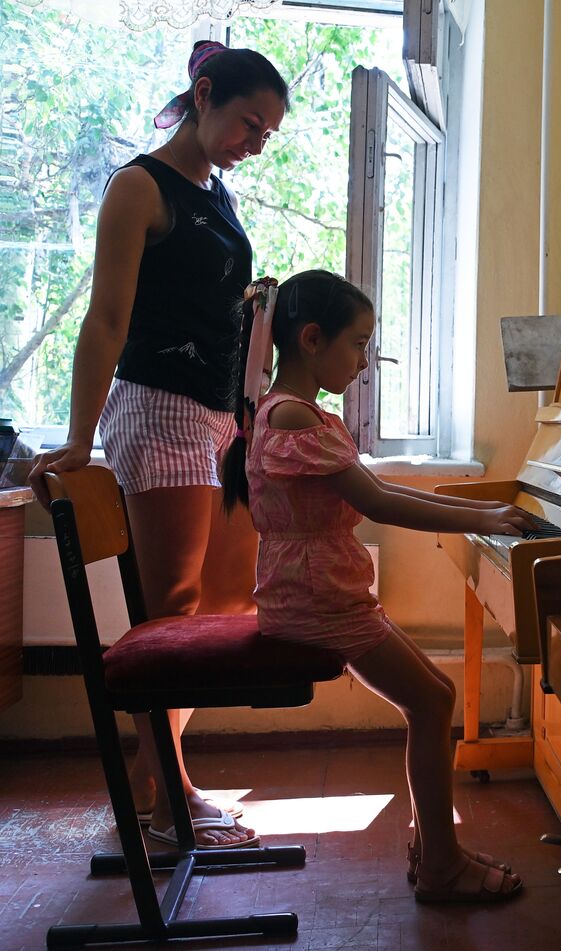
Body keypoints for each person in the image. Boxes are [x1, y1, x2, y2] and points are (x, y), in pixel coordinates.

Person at [27, 40, 289, 848]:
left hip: (219, 416)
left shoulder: (218, 194)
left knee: (232, 601)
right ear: (204, 95)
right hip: (159, 409)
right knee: (172, 613)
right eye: (249, 123)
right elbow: (106, 318)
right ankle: (171, 800)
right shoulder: (139, 186)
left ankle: (152, 776)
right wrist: (79, 437)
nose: (256, 143)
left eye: (268, 134)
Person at [224, 271, 531, 901]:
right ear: (312, 339)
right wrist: (482, 520)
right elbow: (381, 503)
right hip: (317, 602)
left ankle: (435, 847)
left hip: (318, 592)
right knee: (432, 701)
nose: (364, 362)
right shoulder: (292, 416)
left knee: (435, 695)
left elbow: (379, 491)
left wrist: (480, 514)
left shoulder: (289, 411)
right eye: (359, 344)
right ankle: (441, 864)